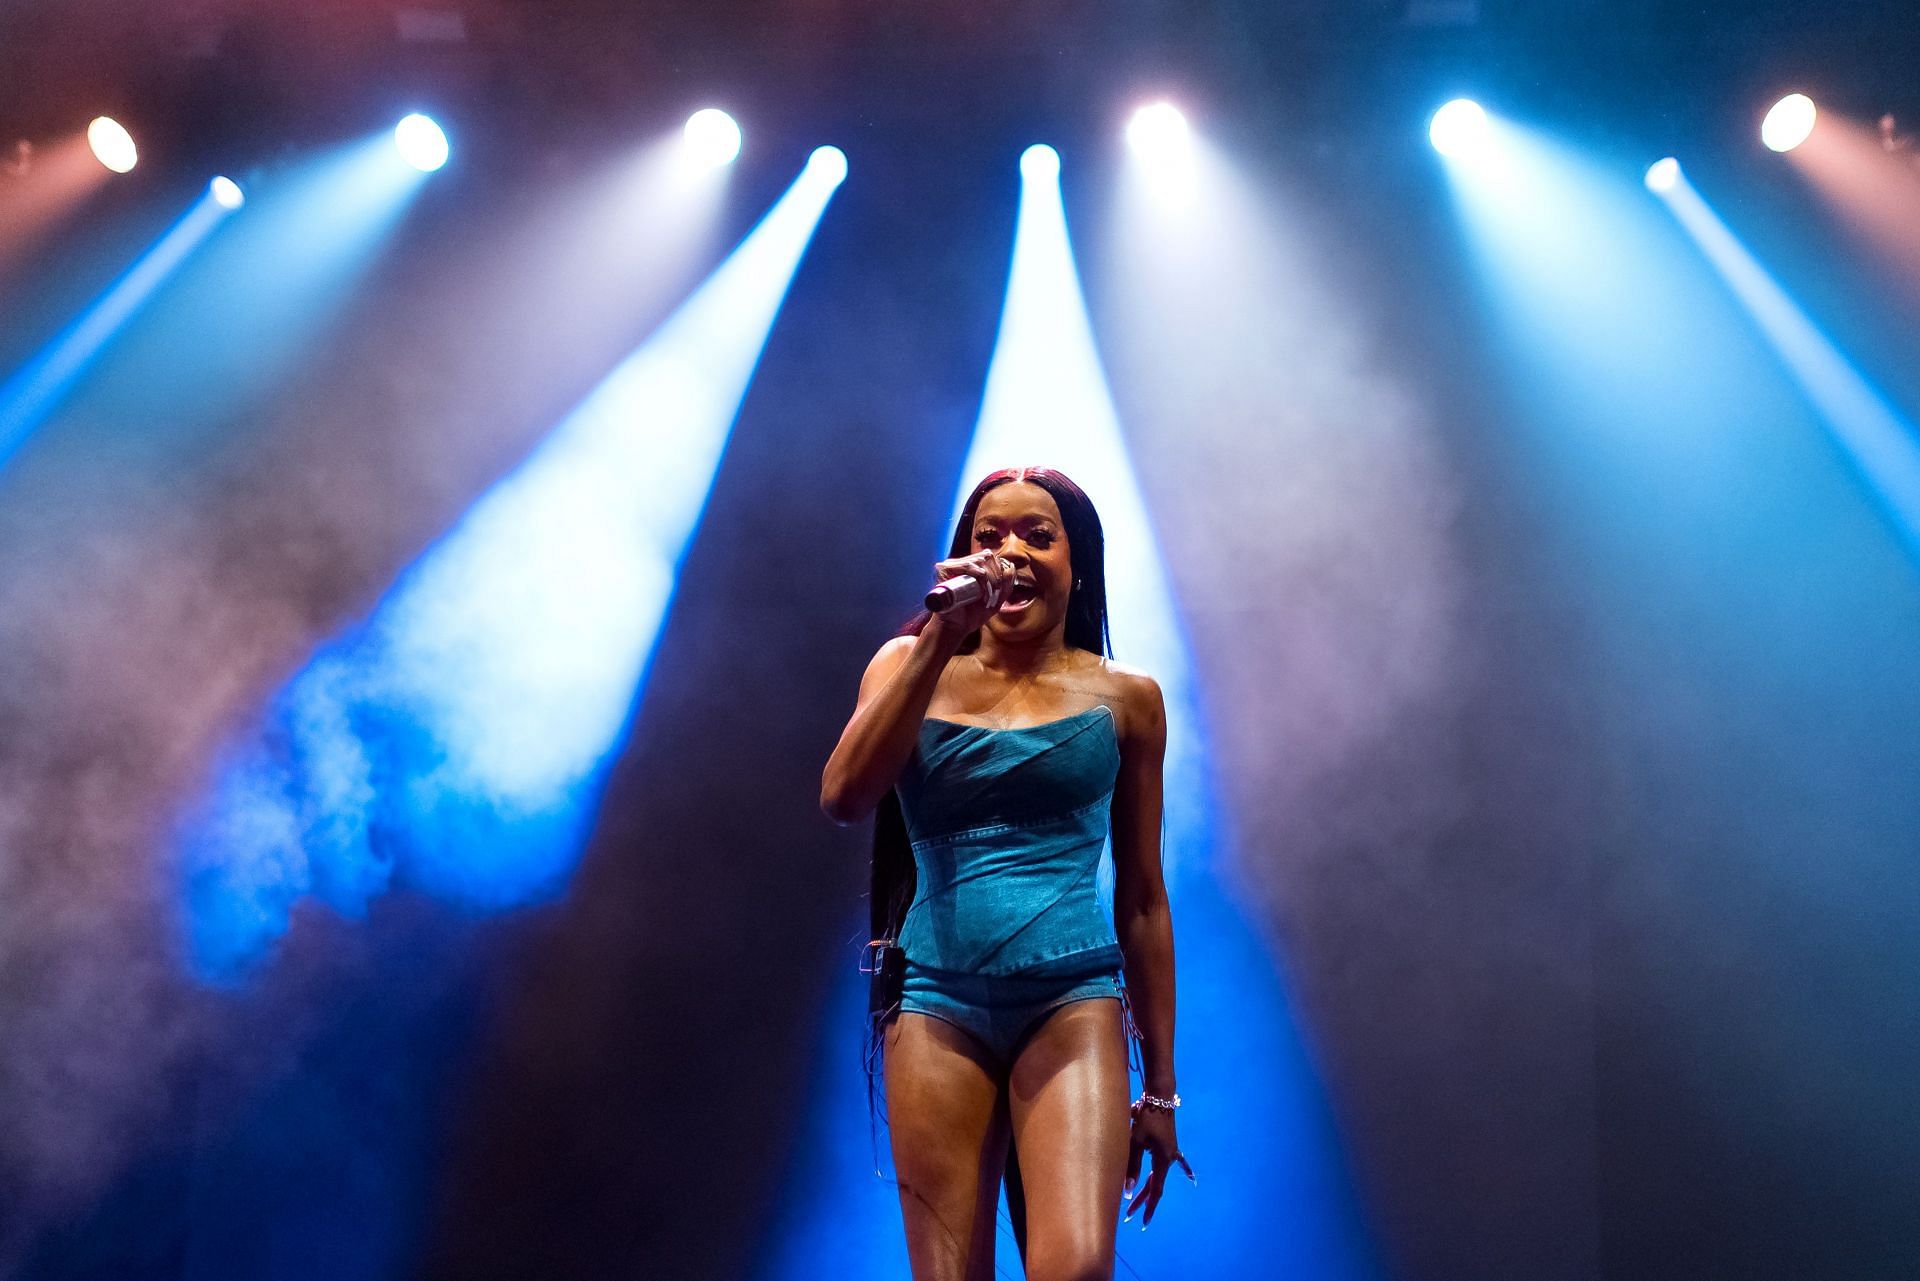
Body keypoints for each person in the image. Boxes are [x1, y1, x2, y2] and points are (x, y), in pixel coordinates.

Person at [821, 466, 1189, 1281]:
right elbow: (845, 794)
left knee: (1078, 1266)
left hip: (1072, 999)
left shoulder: (1127, 697)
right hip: (936, 1004)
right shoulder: (905, 665)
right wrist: (937, 642)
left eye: (1036, 535)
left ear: (1077, 561)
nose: (1010, 553)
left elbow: (1142, 898)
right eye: (989, 538)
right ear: (959, 561)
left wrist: (1160, 1090)